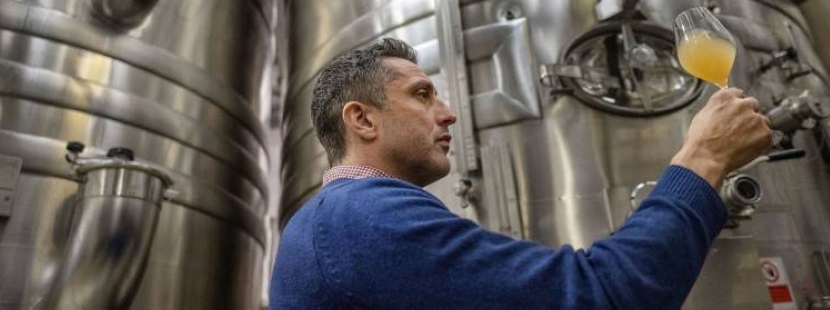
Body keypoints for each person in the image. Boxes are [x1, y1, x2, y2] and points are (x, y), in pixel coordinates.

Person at [270, 38, 772, 309]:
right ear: (361, 119)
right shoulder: (363, 218)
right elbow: (601, 297)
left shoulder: (325, 222)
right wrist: (704, 158)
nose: (447, 114)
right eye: (422, 95)